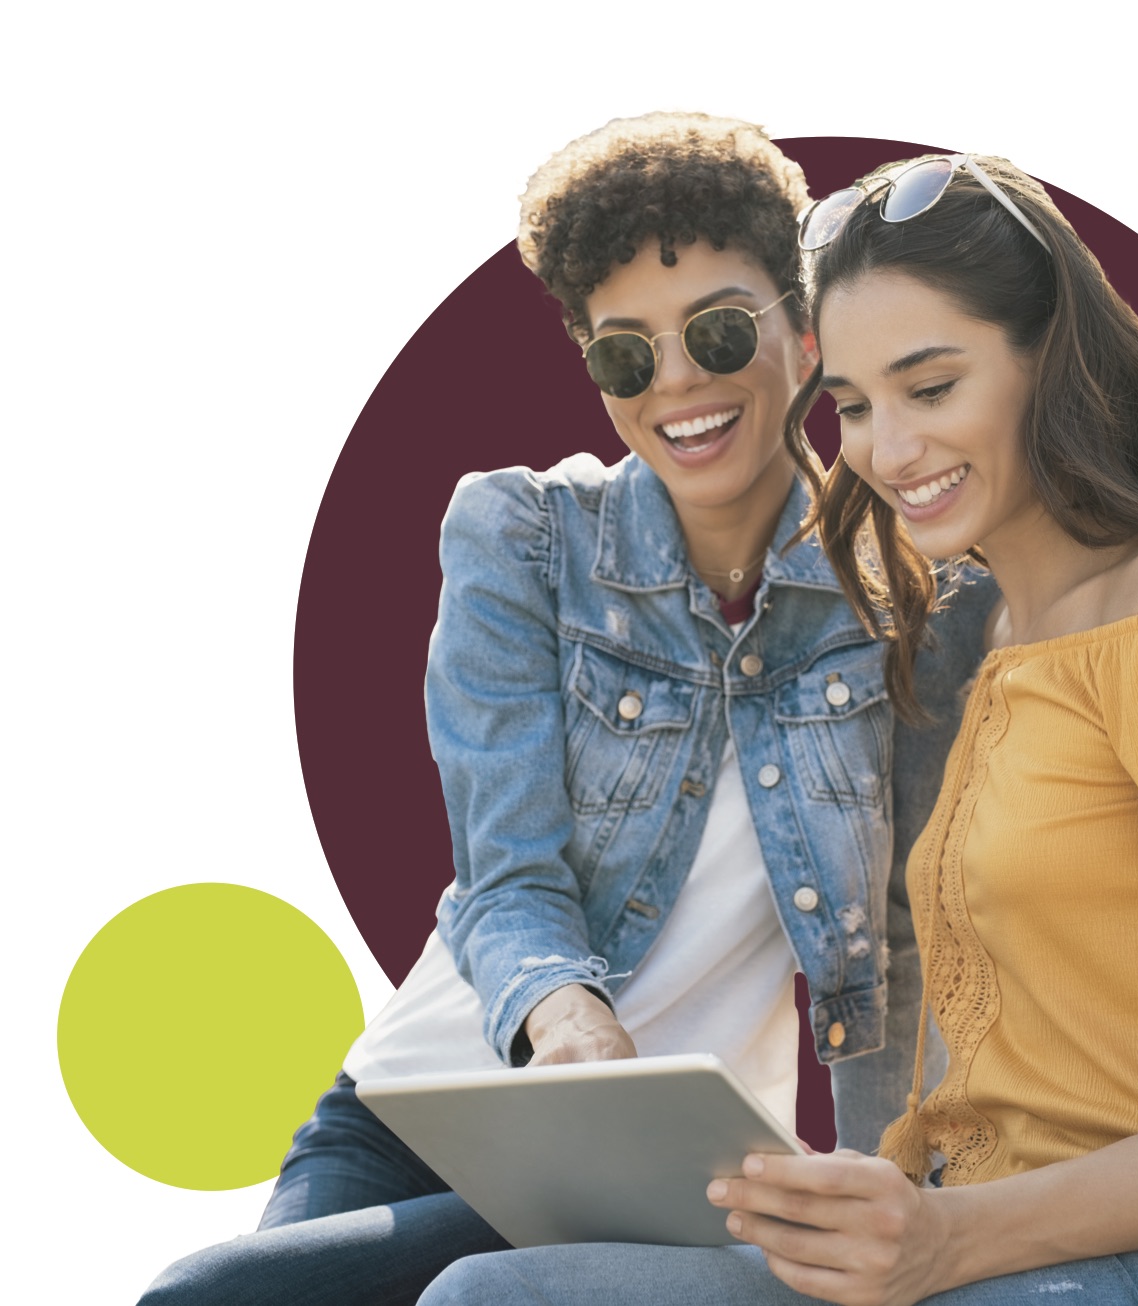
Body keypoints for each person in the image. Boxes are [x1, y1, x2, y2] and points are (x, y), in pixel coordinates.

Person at [418, 154, 1138, 1305]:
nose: (884, 452)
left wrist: (951, 1234)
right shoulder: (975, 636)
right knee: (497, 1295)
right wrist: (877, 1206)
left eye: (930, 388)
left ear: (1050, 363)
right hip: (995, 1228)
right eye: (849, 405)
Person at [137, 119, 993, 1306]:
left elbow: (906, 934)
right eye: (626, 356)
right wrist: (569, 1025)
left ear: (804, 337)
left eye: (719, 330)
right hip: (425, 1104)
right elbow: (504, 872)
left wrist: (891, 1193)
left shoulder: (920, 595)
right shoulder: (523, 539)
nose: (678, 383)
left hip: (660, 1160)